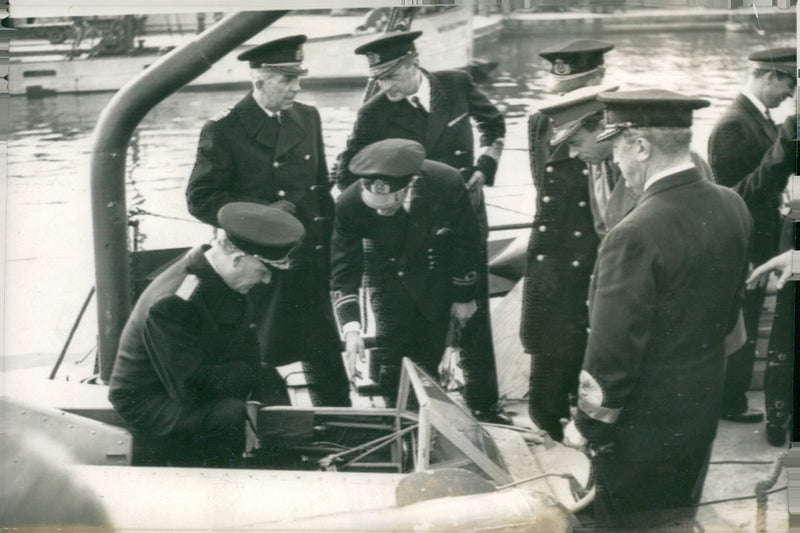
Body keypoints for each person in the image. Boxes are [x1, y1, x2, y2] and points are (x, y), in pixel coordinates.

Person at [562, 90, 753, 529]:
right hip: (700, 411)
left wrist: (587, 428)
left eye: (618, 150)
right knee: (677, 517)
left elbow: (612, 352)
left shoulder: (633, 232)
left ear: (642, 146)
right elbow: (729, 320)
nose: (617, 164)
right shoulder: (733, 206)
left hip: (640, 430)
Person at [333, 31, 507, 423]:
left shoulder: (456, 84)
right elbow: (348, 174)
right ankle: (402, 402)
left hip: (462, 218)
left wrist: (485, 166)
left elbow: (494, 126)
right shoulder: (373, 112)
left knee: (471, 311)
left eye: (392, 76)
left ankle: (484, 403)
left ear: (413, 64)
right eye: (379, 78)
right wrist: (384, 202)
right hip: (403, 223)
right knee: (402, 318)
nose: (385, 86)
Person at [185, 35, 350, 407]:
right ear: (258, 81)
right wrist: (261, 215)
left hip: (308, 256)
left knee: (324, 355)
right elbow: (200, 200)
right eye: (286, 80)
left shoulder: (308, 117)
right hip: (258, 264)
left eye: (298, 78)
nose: (297, 87)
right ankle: (272, 435)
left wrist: (336, 249)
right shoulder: (224, 129)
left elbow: (319, 189)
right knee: (258, 359)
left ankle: (342, 426)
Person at [109, 203, 306, 467]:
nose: (267, 281)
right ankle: (226, 481)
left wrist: (255, 398)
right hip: (150, 399)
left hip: (200, 375)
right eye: (263, 271)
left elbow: (247, 346)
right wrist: (245, 383)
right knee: (229, 414)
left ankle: (279, 465)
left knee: (270, 381)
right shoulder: (172, 302)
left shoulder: (227, 279)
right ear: (238, 260)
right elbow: (190, 388)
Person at [330, 139, 482, 406]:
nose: (379, 209)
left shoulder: (445, 182)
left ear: (409, 184)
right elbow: (344, 267)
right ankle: (400, 420)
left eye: (387, 202)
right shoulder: (349, 203)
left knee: (430, 357)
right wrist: (351, 328)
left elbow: (467, 241)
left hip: (436, 278)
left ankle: (432, 418)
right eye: (373, 202)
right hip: (387, 279)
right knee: (392, 360)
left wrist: (463, 296)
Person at [520, 39, 614, 441]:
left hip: (595, 250)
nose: (565, 104)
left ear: (600, 79)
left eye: (576, 93)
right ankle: (548, 423)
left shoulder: (614, 121)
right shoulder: (540, 123)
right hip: (553, 251)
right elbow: (543, 187)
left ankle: (586, 425)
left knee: (588, 344)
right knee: (547, 344)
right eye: (562, 94)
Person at [708, 47, 797, 424]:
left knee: (747, 316)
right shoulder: (733, 125)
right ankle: (731, 402)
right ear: (769, 77)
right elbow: (734, 195)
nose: (790, 94)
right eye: (789, 84)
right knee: (741, 321)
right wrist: (783, 150)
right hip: (744, 245)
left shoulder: (757, 119)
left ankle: (734, 397)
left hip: (760, 241)